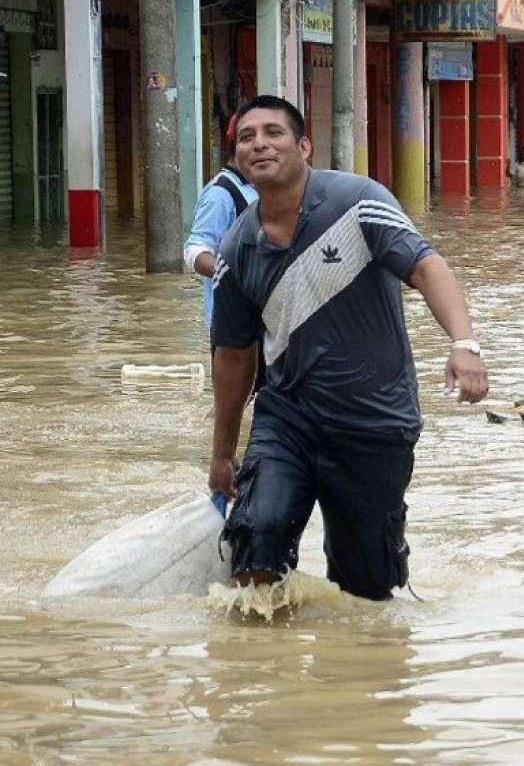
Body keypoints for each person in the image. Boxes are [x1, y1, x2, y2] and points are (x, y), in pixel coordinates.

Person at [208, 95, 488, 601]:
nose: (259, 144)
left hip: (374, 420)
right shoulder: (234, 250)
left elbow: (426, 267)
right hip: (287, 419)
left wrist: (463, 344)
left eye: (273, 132)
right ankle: (262, 649)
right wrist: (223, 454)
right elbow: (233, 357)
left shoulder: (358, 202)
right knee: (255, 545)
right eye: (247, 137)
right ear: (238, 157)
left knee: (366, 589)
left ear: (304, 147)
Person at [183, 116, 259, 335]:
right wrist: (239, 277)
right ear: (236, 144)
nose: (262, 147)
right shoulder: (220, 194)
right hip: (233, 325)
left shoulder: (260, 187)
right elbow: (195, 251)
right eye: (248, 138)